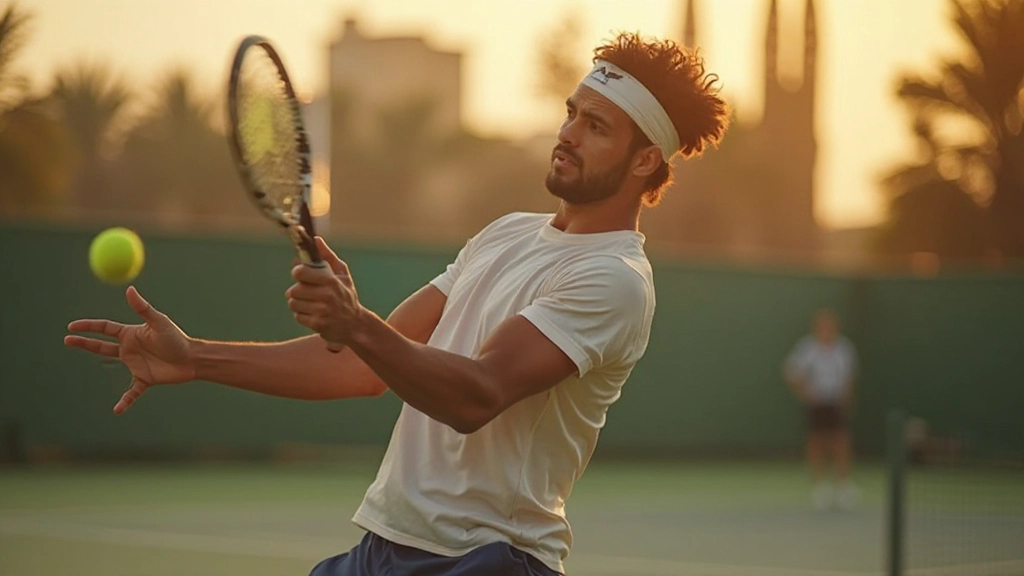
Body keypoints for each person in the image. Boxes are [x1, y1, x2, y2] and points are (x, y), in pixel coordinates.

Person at [65, 32, 729, 576]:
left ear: (645, 162)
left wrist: (355, 323)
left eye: (596, 127)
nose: (569, 134)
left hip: (490, 560)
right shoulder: (506, 233)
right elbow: (360, 368)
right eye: (571, 113)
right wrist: (196, 357)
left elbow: (476, 394)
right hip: (384, 546)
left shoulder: (614, 280)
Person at [783, 309, 860, 511]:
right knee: (816, 442)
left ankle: (843, 486)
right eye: (823, 326)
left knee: (841, 441)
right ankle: (820, 488)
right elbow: (790, 372)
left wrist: (846, 399)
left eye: (830, 326)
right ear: (816, 328)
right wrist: (805, 394)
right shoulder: (807, 347)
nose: (827, 330)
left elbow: (850, 377)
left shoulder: (844, 348)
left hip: (836, 403)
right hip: (816, 404)